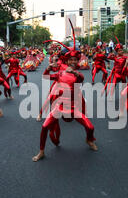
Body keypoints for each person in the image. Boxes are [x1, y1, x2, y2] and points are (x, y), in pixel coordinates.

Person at [33, 23, 97, 162]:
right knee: (44, 127)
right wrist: (48, 69)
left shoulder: (78, 74)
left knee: (90, 127)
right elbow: (45, 77)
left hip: (74, 107)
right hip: (59, 107)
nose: (73, 61)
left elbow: (80, 79)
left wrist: (73, 71)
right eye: (71, 60)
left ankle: (89, 140)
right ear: (67, 61)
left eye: (75, 60)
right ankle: (41, 151)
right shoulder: (60, 73)